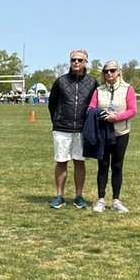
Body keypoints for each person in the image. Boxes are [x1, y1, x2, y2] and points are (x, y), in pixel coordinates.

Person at [48, 50, 97, 209]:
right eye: (73, 60)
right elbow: (52, 104)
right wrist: (57, 121)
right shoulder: (60, 82)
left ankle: (79, 196)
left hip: (82, 130)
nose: (76, 62)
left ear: (85, 62)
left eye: (80, 60)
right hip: (62, 129)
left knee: (79, 162)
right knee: (61, 162)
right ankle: (59, 196)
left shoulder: (92, 82)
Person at [87, 61, 137, 213]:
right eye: (106, 71)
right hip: (102, 134)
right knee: (102, 166)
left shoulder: (128, 88)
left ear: (118, 72)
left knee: (117, 166)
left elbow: (133, 110)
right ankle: (101, 199)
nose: (109, 73)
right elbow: (90, 108)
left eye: (112, 70)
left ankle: (116, 200)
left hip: (121, 133)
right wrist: (102, 115)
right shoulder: (98, 90)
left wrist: (117, 117)